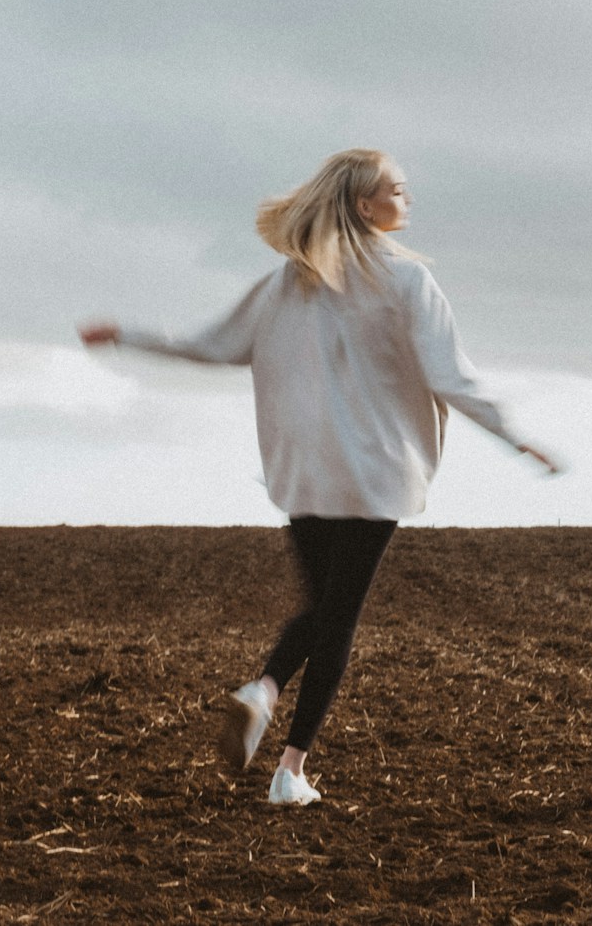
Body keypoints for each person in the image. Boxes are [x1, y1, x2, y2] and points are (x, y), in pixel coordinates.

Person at [78, 148, 559, 806]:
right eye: (398, 189)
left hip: (303, 468)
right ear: (366, 206)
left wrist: (127, 334)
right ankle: (288, 770)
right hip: (376, 472)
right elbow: (453, 377)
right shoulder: (410, 283)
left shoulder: (287, 283)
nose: (407, 199)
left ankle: (264, 691)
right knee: (339, 618)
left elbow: (212, 343)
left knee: (322, 605)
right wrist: (517, 435)